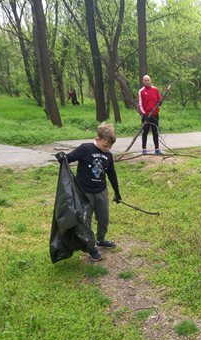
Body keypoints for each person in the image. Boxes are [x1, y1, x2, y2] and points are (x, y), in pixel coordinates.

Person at [56, 123, 122, 262]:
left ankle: (101, 239)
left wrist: (117, 192)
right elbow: (69, 158)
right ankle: (91, 248)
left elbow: (112, 174)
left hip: (101, 192)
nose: (107, 149)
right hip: (84, 194)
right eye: (105, 146)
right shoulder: (85, 149)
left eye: (110, 147)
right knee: (85, 221)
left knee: (103, 218)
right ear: (97, 138)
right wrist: (62, 158)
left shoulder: (108, 156)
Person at [138, 75, 162, 155]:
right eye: (145, 80)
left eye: (148, 80)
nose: (147, 82)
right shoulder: (141, 91)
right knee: (145, 132)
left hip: (155, 115)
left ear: (150, 80)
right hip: (146, 116)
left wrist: (160, 102)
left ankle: (157, 149)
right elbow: (140, 104)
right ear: (143, 81)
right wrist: (144, 114)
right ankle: (144, 149)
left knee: (155, 132)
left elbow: (159, 99)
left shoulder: (155, 89)